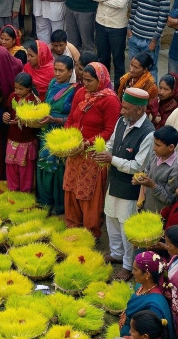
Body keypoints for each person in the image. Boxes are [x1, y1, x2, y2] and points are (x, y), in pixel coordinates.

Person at [98, 87, 155, 274]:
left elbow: (138, 166)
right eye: (122, 107)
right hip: (115, 181)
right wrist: (104, 152)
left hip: (131, 189)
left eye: (126, 108)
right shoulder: (121, 121)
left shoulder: (148, 133)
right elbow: (112, 143)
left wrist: (111, 160)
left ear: (139, 110)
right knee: (111, 219)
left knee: (126, 227)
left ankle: (128, 266)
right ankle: (116, 253)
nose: (122, 111)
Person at [64, 62, 122, 237]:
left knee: (89, 195)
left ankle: (90, 233)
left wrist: (87, 143)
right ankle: (73, 227)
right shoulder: (81, 92)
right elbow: (71, 119)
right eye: (83, 80)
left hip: (93, 156)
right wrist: (66, 138)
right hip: (75, 152)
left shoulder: (110, 100)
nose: (85, 84)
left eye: (89, 81)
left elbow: (109, 131)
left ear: (101, 80)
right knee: (71, 188)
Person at [37, 55, 78, 214]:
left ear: (70, 72)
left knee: (57, 169)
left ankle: (59, 205)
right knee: (43, 165)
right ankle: (44, 201)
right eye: (55, 69)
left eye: (61, 71)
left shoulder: (74, 90)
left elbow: (73, 118)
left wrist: (55, 119)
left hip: (60, 133)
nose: (57, 74)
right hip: (46, 131)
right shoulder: (52, 83)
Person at [128, 0, 170, 72]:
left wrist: (154, 40)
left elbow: (162, 19)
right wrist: (129, 29)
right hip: (134, 36)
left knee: (149, 71)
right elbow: (134, 7)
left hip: (149, 40)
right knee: (133, 70)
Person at [3, 73, 40, 192]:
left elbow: (38, 123)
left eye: (21, 89)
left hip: (26, 140)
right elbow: (7, 111)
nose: (17, 91)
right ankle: (13, 192)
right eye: (16, 88)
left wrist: (24, 121)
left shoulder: (34, 101)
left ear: (29, 88)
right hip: (13, 138)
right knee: (11, 166)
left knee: (26, 169)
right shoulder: (12, 96)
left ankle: (24, 195)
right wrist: (5, 116)